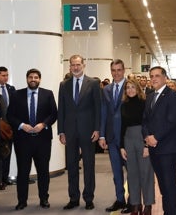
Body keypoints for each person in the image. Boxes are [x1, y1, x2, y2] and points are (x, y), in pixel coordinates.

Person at [6, 68, 57, 210]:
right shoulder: (16, 95)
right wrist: (22, 125)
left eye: (36, 77)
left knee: (43, 172)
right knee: (23, 172)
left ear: (39, 79)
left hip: (43, 140)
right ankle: (22, 201)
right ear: (27, 79)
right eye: (30, 77)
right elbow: (10, 115)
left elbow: (54, 114)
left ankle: (44, 199)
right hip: (23, 140)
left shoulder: (48, 94)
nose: (33, 79)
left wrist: (43, 124)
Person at [57, 55, 101, 211]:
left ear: (84, 65)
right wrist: (61, 131)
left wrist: (97, 129)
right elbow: (60, 109)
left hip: (88, 131)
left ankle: (89, 198)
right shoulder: (64, 85)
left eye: (78, 64)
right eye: (73, 65)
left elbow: (98, 108)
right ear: (69, 66)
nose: (75, 67)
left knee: (89, 165)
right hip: (69, 132)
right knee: (72, 166)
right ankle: (73, 198)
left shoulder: (94, 83)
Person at [142, 66, 176, 215]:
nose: (154, 78)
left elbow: (172, 121)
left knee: (170, 185)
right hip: (154, 148)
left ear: (165, 78)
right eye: (151, 76)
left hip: (167, 149)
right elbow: (145, 120)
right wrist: (147, 136)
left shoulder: (172, 96)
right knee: (163, 186)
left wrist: (156, 137)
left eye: (157, 76)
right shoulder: (150, 96)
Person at [120, 79, 155, 215]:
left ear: (138, 88)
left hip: (142, 138)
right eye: (128, 88)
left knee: (146, 173)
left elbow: (150, 124)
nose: (130, 90)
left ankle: (148, 205)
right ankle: (135, 204)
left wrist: (147, 145)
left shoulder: (145, 103)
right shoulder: (123, 105)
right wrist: (122, 147)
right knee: (132, 174)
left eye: (133, 87)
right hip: (128, 139)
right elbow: (122, 126)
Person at [99, 59, 127, 212]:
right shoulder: (106, 90)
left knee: (132, 172)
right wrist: (102, 135)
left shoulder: (131, 87)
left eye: (119, 70)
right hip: (111, 138)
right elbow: (103, 113)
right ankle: (120, 199)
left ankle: (133, 200)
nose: (116, 73)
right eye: (114, 70)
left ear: (124, 71)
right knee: (116, 173)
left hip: (127, 137)